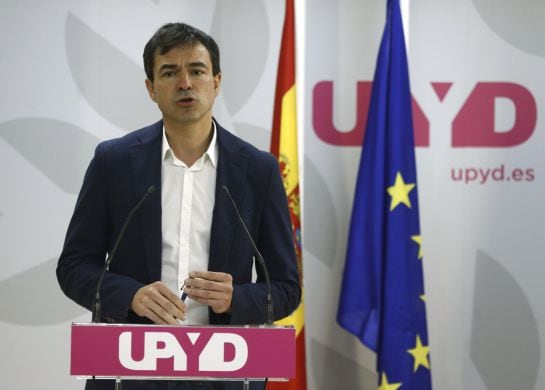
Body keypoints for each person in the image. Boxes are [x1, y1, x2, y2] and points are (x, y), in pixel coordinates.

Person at [56, 22, 301, 390]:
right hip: (130, 371)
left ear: (216, 82)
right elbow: (74, 267)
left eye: (197, 71)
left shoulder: (257, 171)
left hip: (223, 372)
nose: (185, 83)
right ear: (151, 89)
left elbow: (285, 288)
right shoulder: (114, 162)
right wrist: (131, 296)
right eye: (169, 72)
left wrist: (235, 298)